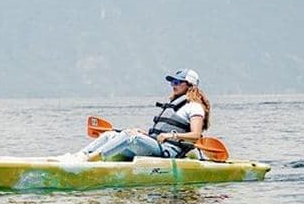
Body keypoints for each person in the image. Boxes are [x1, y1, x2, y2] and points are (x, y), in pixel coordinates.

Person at [80, 68, 211, 161]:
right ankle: (80, 156)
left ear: (190, 85)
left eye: (177, 82)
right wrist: (146, 135)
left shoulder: (195, 107)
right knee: (110, 135)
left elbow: (195, 136)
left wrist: (170, 135)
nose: (173, 85)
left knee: (130, 136)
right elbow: (158, 135)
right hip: (156, 145)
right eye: (172, 82)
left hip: (168, 151)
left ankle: (91, 160)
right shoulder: (176, 104)